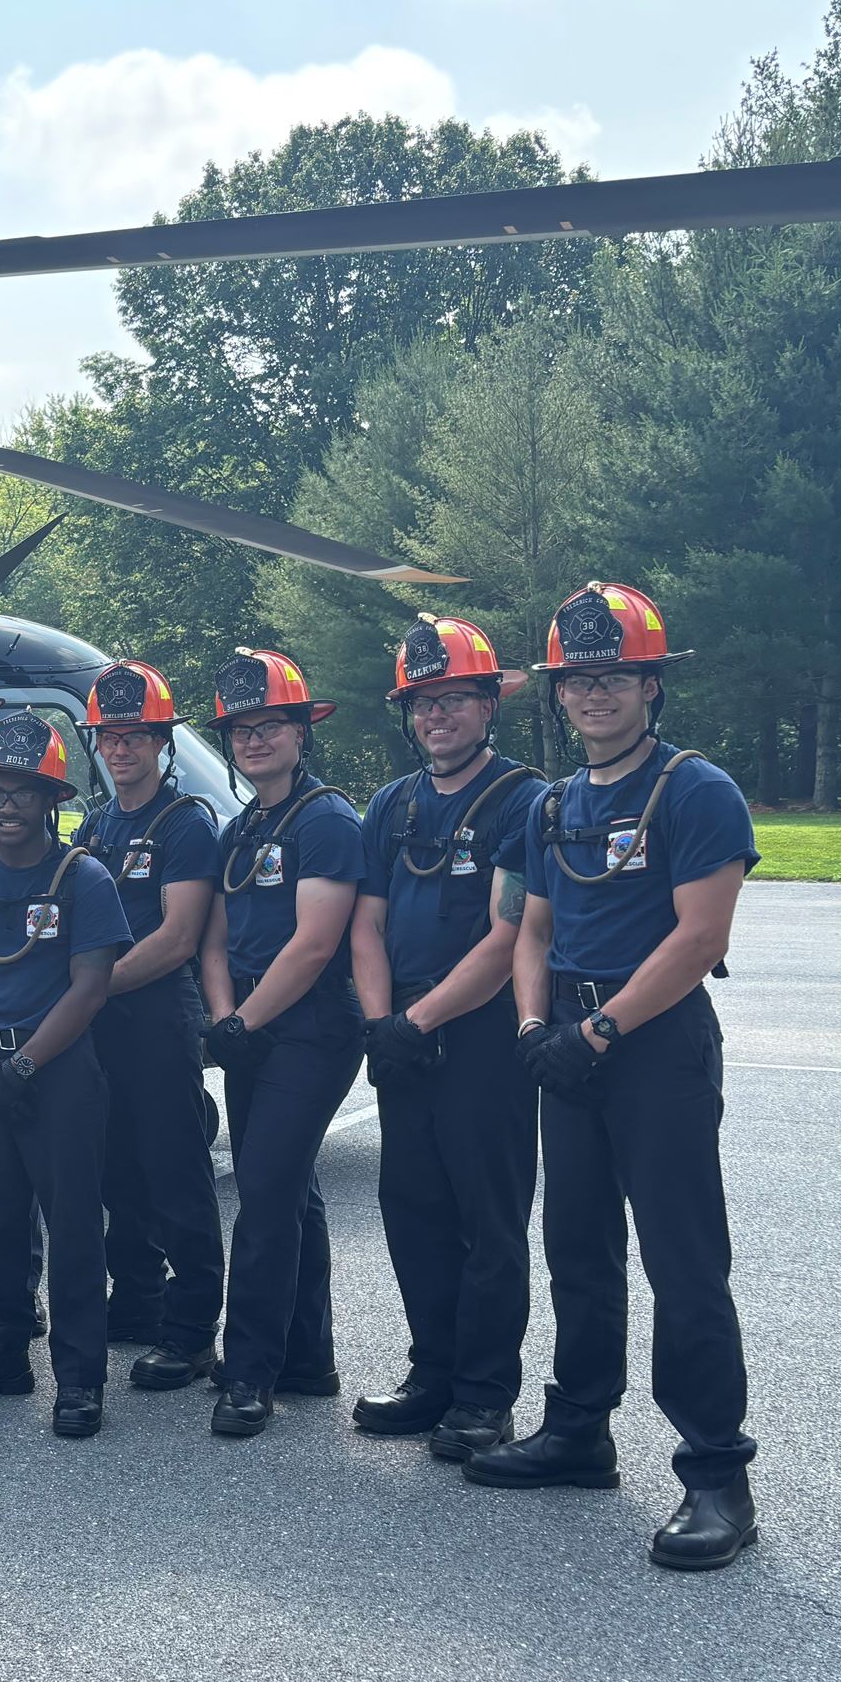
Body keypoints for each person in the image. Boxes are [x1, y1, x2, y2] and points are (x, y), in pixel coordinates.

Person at [471, 582, 761, 1572]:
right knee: (576, 1249)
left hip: (653, 1044)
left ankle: (715, 1473)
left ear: (649, 684)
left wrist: (593, 1030)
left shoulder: (693, 790)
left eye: (613, 676)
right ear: (556, 694)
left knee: (682, 1262)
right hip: (566, 1034)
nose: (592, 694)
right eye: (574, 679)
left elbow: (699, 937)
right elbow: (528, 928)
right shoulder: (551, 805)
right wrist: (526, 1023)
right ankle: (576, 1432)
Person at [350, 616, 545, 1463]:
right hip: (402, 1035)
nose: (438, 716)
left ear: (489, 702)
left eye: (456, 698)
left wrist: (418, 1021)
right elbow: (367, 919)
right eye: (423, 702)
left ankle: (482, 1396)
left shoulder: (522, 799)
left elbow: (508, 941)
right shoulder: (392, 804)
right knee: (413, 1210)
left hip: (480, 1037)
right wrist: (380, 1023)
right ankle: (431, 1374)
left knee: (486, 1221)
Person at [0, 712, 127, 1438]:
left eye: (19, 793)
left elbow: (90, 987)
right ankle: (1, 1355)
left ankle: (79, 1380)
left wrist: (26, 1064)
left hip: (59, 1073)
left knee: (73, 1229)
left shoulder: (84, 878)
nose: (3, 807)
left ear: (50, 799)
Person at [197, 648, 365, 1439]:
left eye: (270, 725)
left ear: (303, 730)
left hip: (311, 1032)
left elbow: (314, 943)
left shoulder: (328, 820)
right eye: (240, 729)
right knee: (293, 1191)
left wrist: (244, 1022)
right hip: (252, 1030)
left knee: (263, 1193)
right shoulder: (243, 826)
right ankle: (308, 1357)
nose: (253, 740)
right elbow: (218, 934)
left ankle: (251, 1372)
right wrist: (229, 1017)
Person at [75, 659, 228, 1390]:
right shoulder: (98, 825)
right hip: (102, 1024)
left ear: (162, 741)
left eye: (137, 736)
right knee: (116, 1170)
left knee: (175, 1175)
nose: (122, 749)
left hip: (158, 1020)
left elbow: (177, 939)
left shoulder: (185, 822)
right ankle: (135, 1299)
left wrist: (87, 991)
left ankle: (194, 1331)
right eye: (110, 737)